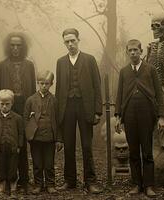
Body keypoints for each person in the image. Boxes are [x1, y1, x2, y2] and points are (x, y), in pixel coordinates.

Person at [114, 39, 164, 197]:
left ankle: (149, 185)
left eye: (136, 50)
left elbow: (159, 94)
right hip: (129, 115)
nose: (133, 53)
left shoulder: (150, 70)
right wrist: (118, 116)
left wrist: (161, 117)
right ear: (127, 52)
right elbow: (119, 95)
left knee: (147, 151)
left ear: (141, 51)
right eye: (130, 50)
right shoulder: (124, 72)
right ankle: (136, 184)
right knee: (134, 151)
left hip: (146, 115)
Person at [55, 28, 103, 194]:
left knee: (87, 145)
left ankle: (90, 181)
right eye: (67, 41)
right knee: (68, 146)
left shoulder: (89, 60)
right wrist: (58, 112)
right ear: (64, 43)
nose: (70, 44)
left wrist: (97, 110)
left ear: (78, 40)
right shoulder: (60, 62)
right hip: (67, 107)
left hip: (85, 107)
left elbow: (97, 85)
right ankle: (70, 181)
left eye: (72, 40)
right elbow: (59, 89)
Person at [0, 32, 36, 192]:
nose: (15, 48)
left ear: (23, 47)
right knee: (7, 144)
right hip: (7, 107)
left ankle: (24, 180)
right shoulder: (1, 66)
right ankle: (6, 179)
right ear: (8, 46)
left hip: (24, 107)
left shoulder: (29, 65)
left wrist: (32, 111)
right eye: (12, 45)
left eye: (19, 45)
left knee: (22, 143)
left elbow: (33, 90)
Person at [23, 70, 64, 194]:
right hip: (35, 138)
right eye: (41, 83)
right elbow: (25, 119)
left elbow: (58, 121)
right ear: (37, 83)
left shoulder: (54, 100)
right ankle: (38, 184)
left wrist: (59, 139)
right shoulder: (30, 100)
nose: (44, 86)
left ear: (51, 84)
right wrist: (28, 134)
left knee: (49, 163)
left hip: (50, 138)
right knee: (37, 163)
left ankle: (51, 184)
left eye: (47, 83)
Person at [0, 89, 25, 196]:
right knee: (0, 167)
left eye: (7, 104)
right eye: (2, 104)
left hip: (13, 147)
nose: (4, 106)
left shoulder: (17, 118)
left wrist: (19, 145)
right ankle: (2, 184)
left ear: (12, 103)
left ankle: (13, 184)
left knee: (12, 166)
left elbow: (21, 134)